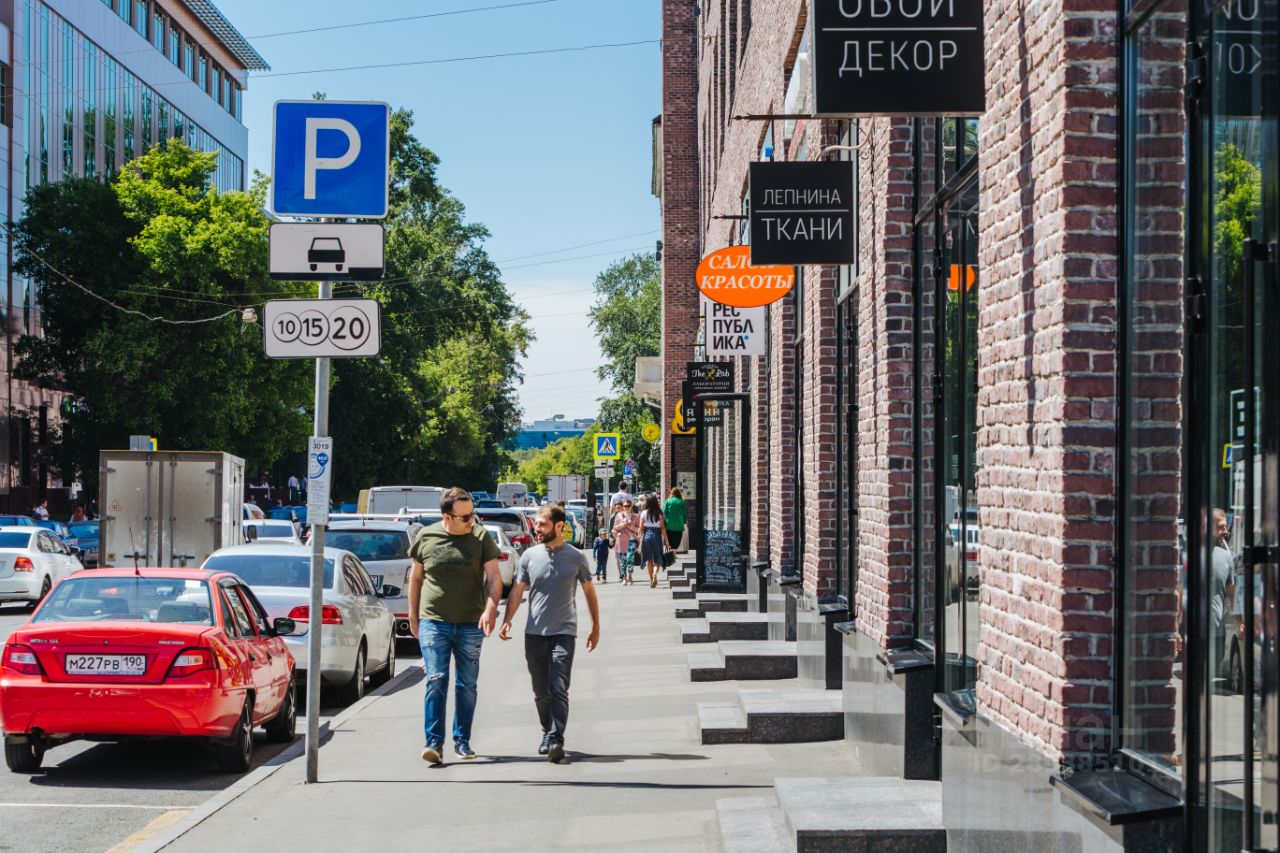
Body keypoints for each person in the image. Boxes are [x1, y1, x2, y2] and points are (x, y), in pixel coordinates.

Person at [407, 487, 503, 765]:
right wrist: (413, 615)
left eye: (473, 514)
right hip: (433, 621)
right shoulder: (426, 536)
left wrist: (490, 608)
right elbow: (415, 579)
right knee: (436, 679)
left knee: (467, 684)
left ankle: (462, 739)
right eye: (465, 517)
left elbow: (495, 578)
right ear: (446, 517)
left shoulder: (481, 537)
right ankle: (434, 743)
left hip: (471, 623)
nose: (472, 521)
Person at [499, 504, 600, 763]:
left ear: (559, 525)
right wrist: (508, 619)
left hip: (564, 631)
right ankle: (547, 731)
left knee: (558, 687)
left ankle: (556, 739)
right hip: (534, 633)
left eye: (542, 524)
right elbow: (518, 590)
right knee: (540, 690)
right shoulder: (529, 556)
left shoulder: (576, 557)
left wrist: (595, 626)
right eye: (536, 524)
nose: (537, 528)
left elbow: (589, 591)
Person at [638, 494, 669, 589]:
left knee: (649, 560)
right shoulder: (660, 513)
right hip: (657, 536)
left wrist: (640, 542)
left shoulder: (644, 513)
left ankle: (651, 579)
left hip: (647, 535)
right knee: (658, 558)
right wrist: (667, 541)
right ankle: (655, 573)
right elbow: (663, 528)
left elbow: (641, 529)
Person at [611, 500, 640, 585]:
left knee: (630, 558)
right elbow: (615, 527)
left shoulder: (636, 516)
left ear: (631, 506)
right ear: (623, 507)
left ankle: (630, 574)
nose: (626, 507)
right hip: (622, 539)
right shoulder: (619, 515)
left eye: (628, 505)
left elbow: (639, 529)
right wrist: (623, 525)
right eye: (625, 506)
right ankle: (624, 577)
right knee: (623, 559)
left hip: (631, 540)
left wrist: (630, 526)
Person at [663, 487, 686, 552]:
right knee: (677, 541)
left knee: (669, 540)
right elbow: (684, 513)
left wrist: (663, 522)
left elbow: (664, 512)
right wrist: (684, 522)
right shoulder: (681, 501)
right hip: (679, 524)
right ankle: (673, 554)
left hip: (669, 524)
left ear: (672, 493)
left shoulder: (668, 501)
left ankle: (670, 556)